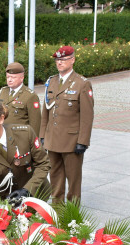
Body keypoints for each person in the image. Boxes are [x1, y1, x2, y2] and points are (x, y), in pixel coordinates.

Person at [40, 45, 94, 203]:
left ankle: (72, 215)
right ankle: (57, 210)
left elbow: (87, 116)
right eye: (57, 60)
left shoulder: (82, 83)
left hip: (72, 141)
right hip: (53, 139)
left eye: (63, 59)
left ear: (73, 60)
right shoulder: (52, 81)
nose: (59, 63)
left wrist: (83, 141)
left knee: (73, 181)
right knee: (55, 178)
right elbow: (46, 111)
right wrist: (43, 134)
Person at [0, 62, 41, 132]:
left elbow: (35, 123)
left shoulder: (30, 95)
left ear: (22, 78)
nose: (9, 80)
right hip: (3, 136)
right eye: (8, 77)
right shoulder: (2, 91)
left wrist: (33, 140)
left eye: (13, 77)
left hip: (20, 138)